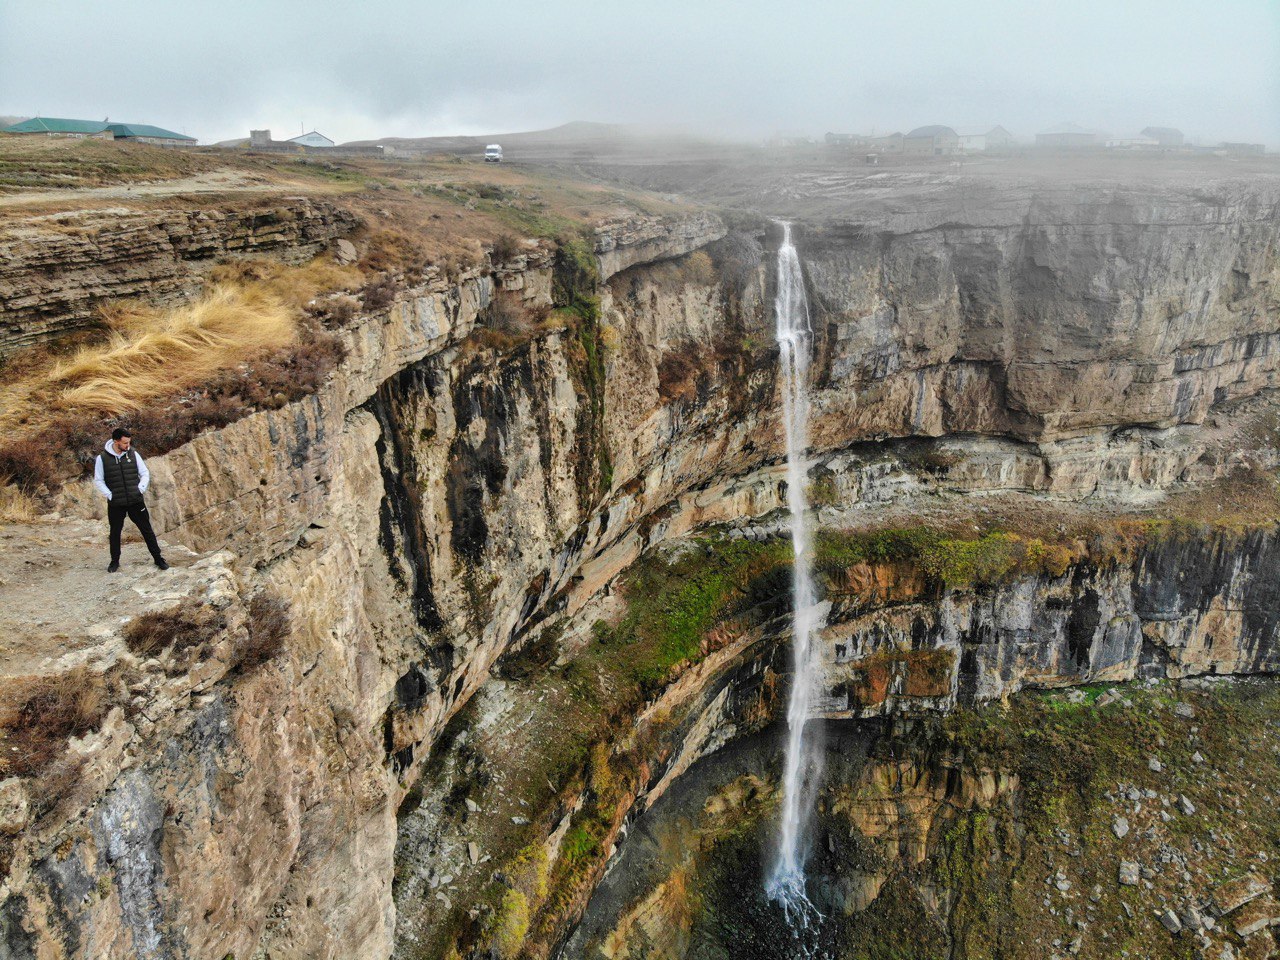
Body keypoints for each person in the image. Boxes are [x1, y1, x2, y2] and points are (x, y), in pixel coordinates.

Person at [92, 427, 168, 572]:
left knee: (147, 530)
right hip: (116, 503)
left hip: (135, 501)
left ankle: (158, 559)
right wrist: (110, 495)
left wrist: (140, 488)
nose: (128, 446)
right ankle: (114, 562)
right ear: (116, 441)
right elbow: (98, 480)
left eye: (129, 443)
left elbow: (144, 472)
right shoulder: (102, 458)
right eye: (125, 443)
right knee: (115, 532)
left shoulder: (133, 454)